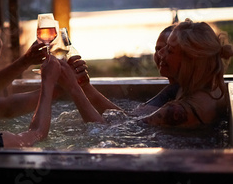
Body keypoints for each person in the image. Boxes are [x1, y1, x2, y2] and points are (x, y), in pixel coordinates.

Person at [68, 19, 233, 128]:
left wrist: (74, 88)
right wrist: (85, 86)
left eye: (169, 50)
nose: (161, 55)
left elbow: (113, 131)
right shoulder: (202, 90)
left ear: (190, 60)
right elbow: (128, 118)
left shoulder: (178, 111)